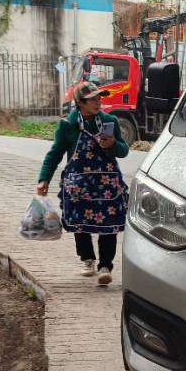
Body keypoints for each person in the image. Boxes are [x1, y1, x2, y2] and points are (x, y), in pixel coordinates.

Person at [36, 81, 131, 286]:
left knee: (109, 225)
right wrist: (44, 179)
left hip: (107, 185)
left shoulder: (110, 121)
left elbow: (124, 150)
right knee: (80, 222)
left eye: (99, 98)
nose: (98, 102)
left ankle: (105, 266)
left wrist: (113, 144)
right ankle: (88, 259)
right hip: (79, 185)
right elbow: (55, 154)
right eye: (92, 99)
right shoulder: (68, 126)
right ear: (80, 102)